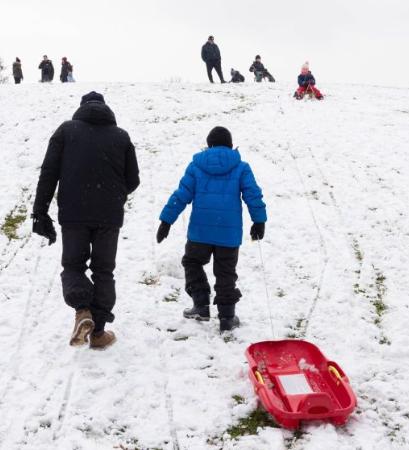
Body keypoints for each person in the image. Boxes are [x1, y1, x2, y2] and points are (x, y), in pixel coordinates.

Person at [32, 91, 140, 350]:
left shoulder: (66, 131)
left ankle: (83, 311)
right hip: (109, 216)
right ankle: (99, 333)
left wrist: (40, 210)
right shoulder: (121, 136)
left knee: (73, 265)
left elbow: (49, 172)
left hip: (73, 212)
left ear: (81, 109)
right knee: (104, 270)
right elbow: (133, 179)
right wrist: (113, 195)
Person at [156, 127, 266, 332]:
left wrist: (166, 221)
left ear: (209, 145)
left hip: (200, 232)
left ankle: (201, 304)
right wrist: (259, 220)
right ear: (231, 145)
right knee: (225, 272)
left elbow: (181, 195)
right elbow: (253, 195)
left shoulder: (196, 166)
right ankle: (226, 317)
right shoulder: (241, 167)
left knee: (192, 262)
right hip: (228, 234)